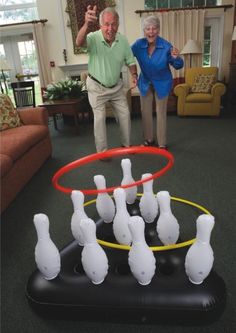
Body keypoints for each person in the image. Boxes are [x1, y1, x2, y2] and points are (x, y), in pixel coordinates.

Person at [76, 5, 138, 153]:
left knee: (125, 115)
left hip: (116, 86)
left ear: (118, 24)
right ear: (100, 25)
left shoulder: (122, 41)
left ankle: (126, 146)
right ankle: (102, 152)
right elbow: (79, 42)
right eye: (106, 24)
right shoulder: (93, 38)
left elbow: (130, 61)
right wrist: (86, 24)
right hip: (96, 87)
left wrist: (134, 75)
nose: (110, 28)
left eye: (113, 24)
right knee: (99, 119)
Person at [131, 15, 184, 149]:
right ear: (144, 31)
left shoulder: (166, 46)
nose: (151, 32)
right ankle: (149, 139)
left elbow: (178, 65)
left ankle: (162, 144)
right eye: (148, 29)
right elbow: (127, 55)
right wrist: (133, 73)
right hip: (145, 82)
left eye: (154, 28)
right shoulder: (138, 45)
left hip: (162, 82)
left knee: (161, 113)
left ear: (158, 30)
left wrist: (177, 58)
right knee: (145, 111)